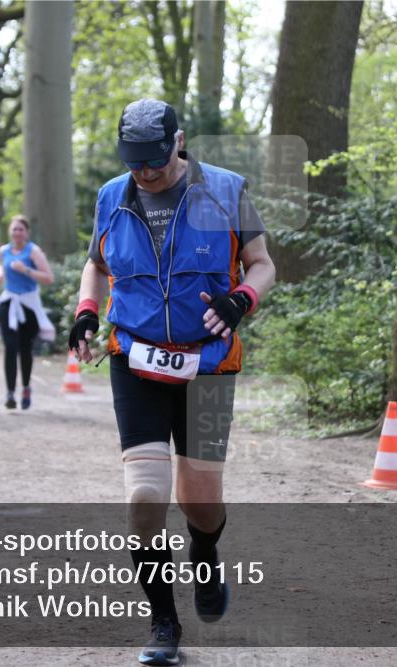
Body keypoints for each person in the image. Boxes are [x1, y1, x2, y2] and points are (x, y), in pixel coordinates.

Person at [69, 99, 275, 666]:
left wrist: (241, 298)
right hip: (135, 360)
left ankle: (205, 556)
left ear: (178, 142)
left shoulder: (226, 190)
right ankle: (164, 623)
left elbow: (262, 263)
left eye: (154, 161)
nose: (145, 173)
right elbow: (97, 264)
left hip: (208, 366)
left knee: (201, 503)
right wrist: (88, 310)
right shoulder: (113, 196)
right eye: (135, 162)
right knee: (144, 498)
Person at [0, 214, 55, 409]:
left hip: (29, 305)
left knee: (25, 349)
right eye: (14, 229)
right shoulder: (4, 250)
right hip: (9, 302)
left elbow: (48, 278)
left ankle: (26, 387)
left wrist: (25, 270)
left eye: (21, 229)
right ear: (10, 232)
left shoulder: (33, 251)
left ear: (27, 232)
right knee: (10, 347)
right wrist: (0, 273)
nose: (17, 233)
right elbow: (1, 267)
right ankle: (10, 393)